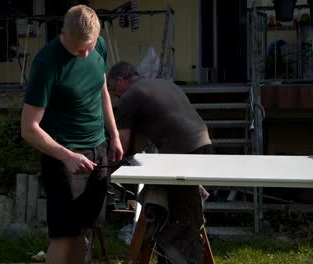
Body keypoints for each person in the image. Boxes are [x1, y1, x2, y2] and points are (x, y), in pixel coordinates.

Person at [21, 5, 123, 264]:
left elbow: (102, 92)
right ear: (63, 33)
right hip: (62, 155)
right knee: (64, 233)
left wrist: (114, 134)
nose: (86, 53)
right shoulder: (47, 63)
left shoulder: (98, 45)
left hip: (97, 149)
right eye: (79, 49)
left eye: (89, 47)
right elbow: (29, 129)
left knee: (84, 228)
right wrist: (66, 156)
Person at [107, 61, 212, 264]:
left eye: (113, 90)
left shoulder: (129, 97)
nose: (114, 96)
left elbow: (121, 144)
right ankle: (174, 257)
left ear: (121, 80)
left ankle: (176, 258)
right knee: (183, 208)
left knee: (172, 211)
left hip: (183, 150)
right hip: (204, 143)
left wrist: (111, 173)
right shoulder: (163, 84)